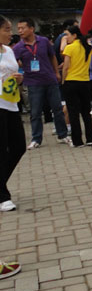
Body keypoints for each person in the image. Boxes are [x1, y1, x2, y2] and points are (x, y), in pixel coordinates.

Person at [13, 18, 70, 148]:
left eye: (23, 28)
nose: (20, 31)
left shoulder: (43, 41)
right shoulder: (18, 47)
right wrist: (21, 69)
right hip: (33, 82)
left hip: (50, 79)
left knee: (57, 109)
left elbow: (52, 56)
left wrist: (56, 73)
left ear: (31, 28)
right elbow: (13, 62)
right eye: (19, 28)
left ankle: (63, 134)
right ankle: (36, 138)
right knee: (35, 112)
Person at [1, 15, 26, 212]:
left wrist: (19, 80)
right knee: (2, 149)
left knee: (19, 146)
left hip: (11, 103)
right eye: (7, 29)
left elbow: (14, 73)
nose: (11, 33)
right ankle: (3, 196)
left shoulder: (9, 50)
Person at [61, 26, 92, 147]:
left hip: (71, 81)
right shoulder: (88, 47)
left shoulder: (69, 48)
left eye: (67, 34)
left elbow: (66, 67)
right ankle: (90, 137)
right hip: (85, 81)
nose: (66, 37)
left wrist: (63, 81)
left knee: (73, 112)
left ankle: (77, 141)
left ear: (74, 35)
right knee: (86, 111)